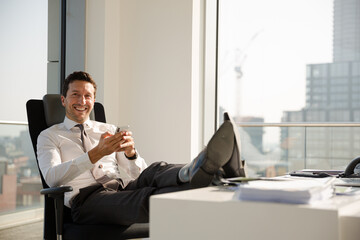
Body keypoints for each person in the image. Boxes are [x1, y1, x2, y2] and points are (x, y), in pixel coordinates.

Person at [37, 71, 241, 226]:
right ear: (63, 100)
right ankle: (212, 176)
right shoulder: (49, 136)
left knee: (156, 170)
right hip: (86, 200)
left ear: (94, 100)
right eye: (75, 95)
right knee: (145, 198)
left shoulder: (108, 129)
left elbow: (141, 174)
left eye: (88, 96)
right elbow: (52, 178)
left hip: (121, 188)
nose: (82, 101)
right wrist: (96, 154)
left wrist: (131, 154)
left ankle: (200, 168)